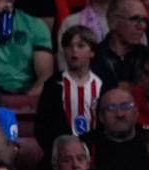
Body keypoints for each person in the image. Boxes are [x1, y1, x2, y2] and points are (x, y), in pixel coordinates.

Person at [35, 25, 103, 153]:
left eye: (80, 46)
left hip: (96, 154)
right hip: (60, 155)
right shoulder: (53, 84)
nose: (73, 50)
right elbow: (42, 126)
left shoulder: (102, 84)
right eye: (69, 46)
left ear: (92, 52)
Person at [92, 0, 149, 87]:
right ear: (112, 21)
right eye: (134, 19)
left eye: (144, 20)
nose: (142, 26)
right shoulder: (91, 57)